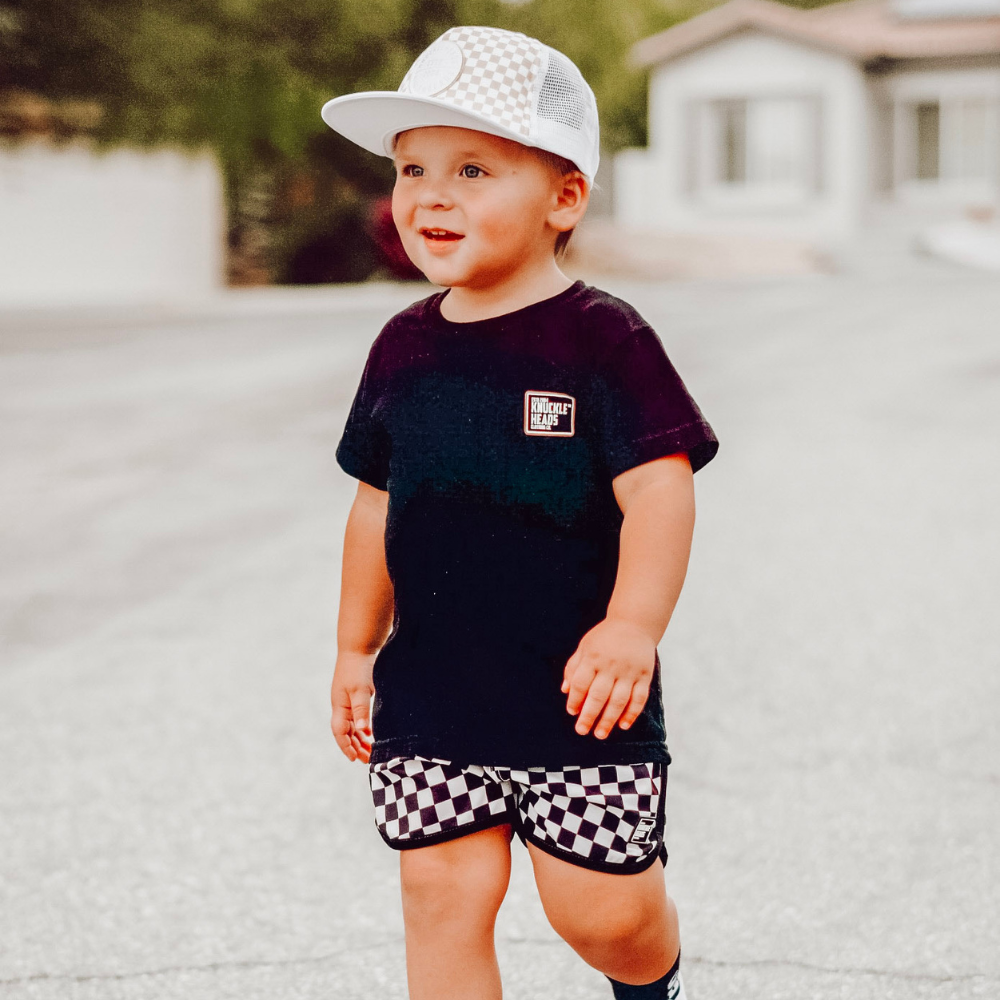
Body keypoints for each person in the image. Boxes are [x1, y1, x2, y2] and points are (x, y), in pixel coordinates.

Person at [321, 25, 718, 1000]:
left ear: (564, 196)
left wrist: (631, 627)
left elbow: (661, 484)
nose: (431, 194)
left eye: (471, 167)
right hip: (432, 692)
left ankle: (650, 971)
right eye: (411, 168)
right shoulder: (400, 349)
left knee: (601, 917)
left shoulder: (603, 340)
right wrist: (350, 647)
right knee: (440, 891)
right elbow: (377, 503)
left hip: (579, 695)